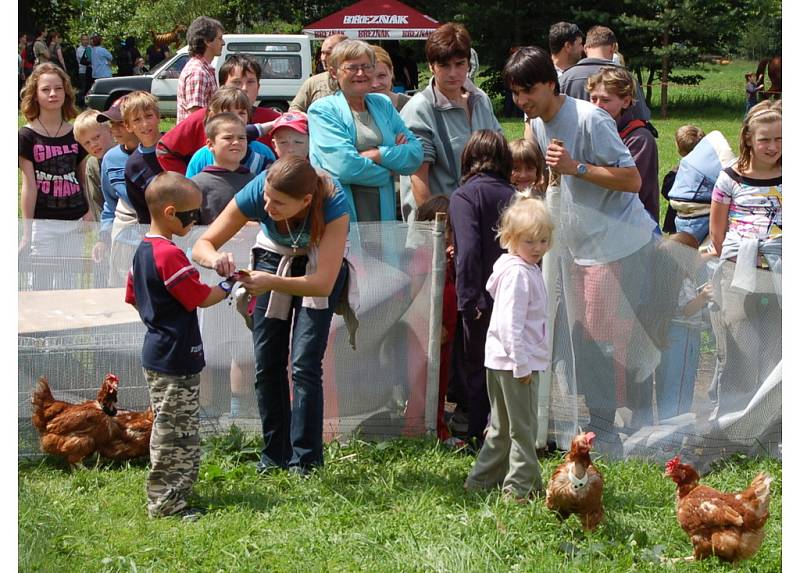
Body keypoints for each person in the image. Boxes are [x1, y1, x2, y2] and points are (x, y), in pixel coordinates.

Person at [504, 46, 659, 454]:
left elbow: (631, 181)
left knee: (602, 334)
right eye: (516, 93)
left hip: (619, 244)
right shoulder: (536, 122)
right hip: (577, 246)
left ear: (551, 84)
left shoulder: (592, 118)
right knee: (578, 331)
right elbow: (556, 181)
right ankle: (601, 419)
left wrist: (578, 168)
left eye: (528, 91)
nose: (522, 101)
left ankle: (615, 424)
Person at [191, 156, 353, 475]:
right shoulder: (261, 189)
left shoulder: (334, 201)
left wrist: (271, 283)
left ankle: (305, 461)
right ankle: (274, 455)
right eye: (266, 197)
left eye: (278, 203)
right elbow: (203, 244)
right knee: (267, 363)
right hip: (270, 258)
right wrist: (215, 260)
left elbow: (322, 285)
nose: (267, 207)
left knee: (305, 364)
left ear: (306, 201)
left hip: (316, 269)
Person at [125, 171, 232, 520]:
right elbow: (201, 298)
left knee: (176, 426)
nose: (196, 220)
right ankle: (165, 503)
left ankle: (176, 494)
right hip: (174, 355)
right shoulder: (169, 254)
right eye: (192, 214)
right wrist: (233, 285)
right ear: (170, 213)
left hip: (158, 348)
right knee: (174, 434)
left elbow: (132, 296)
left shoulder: (143, 250)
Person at [464, 194, 552, 502]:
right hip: (516, 363)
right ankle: (519, 489)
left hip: (500, 360)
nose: (538, 248)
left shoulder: (519, 267)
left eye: (543, 240)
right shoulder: (518, 273)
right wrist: (522, 363)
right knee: (523, 429)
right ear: (511, 238)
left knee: (502, 428)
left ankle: (481, 480)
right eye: (530, 242)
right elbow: (509, 324)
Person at [707, 99, 781, 420]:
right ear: (749, 138)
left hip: (781, 277)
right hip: (739, 277)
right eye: (765, 139)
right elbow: (717, 232)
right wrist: (739, 262)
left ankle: (773, 417)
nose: (773, 146)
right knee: (738, 346)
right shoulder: (730, 179)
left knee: (778, 344)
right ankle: (733, 415)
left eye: (780, 139)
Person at [449, 130, 517, 447]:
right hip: (517, 295)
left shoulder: (465, 196)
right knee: (512, 369)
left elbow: (468, 250)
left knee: (478, 369)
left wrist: (469, 298)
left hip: (481, 299)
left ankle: (480, 436)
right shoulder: (516, 195)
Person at [308, 40, 423, 223]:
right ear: (333, 72)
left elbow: (415, 155)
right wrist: (391, 171)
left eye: (366, 67)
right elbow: (344, 167)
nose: (361, 73)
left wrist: (379, 154)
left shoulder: (382, 104)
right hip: (341, 216)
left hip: (383, 215)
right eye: (352, 68)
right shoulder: (322, 110)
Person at [400, 23, 502, 221]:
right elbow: (418, 180)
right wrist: (441, 230)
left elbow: (500, 152)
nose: (453, 73)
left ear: (468, 64)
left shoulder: (480, 99)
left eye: (459, 64)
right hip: (437, 224)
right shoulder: (419, 109)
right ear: (431, 66)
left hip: (479, 217)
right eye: (444, 65)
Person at [157, 56, 281, 174]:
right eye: (236, 82)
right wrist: (187, 185)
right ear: (222, 87)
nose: (244, 88)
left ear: (258, 87)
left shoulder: (273, 120)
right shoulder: (202, 118)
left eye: (250, 82)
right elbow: (164, 149)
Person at [18, 63, 90, 263]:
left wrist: (89, 210)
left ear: (66, 92)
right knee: (41, 286)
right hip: (43, 223)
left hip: (75, 220)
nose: (53, 94)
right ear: (35, 94)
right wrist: (26, 232)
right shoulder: (26, 135)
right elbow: (29, 186)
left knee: (69, 283)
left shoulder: (76, 132)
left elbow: (83, 179)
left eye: (58, 88)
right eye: (45, 89)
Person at [587, 66, 660, 225]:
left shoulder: (639, 139)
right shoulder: (590, 130)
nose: (597, 106)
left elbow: (631, 189)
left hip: (634, 225)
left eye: (605, 100)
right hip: (597, 222)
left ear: (625, 101)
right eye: (593, 99)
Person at [654, 232, 712, 420]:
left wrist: (712, 253)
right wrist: (703, 297)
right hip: (684, 335)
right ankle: (676, 424)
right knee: (680, 382)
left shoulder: (669, 278)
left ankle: (667, 421)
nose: (698, 258)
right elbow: (687, 310)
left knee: (669, 380)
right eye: (695, 254)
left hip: (672, 334)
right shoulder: (684, 281)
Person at [558, 25, 651, 124]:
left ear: (585, 48)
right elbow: (641, 119)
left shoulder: (564, 79)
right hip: (617, 138)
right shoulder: (626, 79)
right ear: (613, 48)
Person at [94, 97, 142, 286]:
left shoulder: (162, 153)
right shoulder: (110, 159)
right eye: (112, 124)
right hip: (124, 239)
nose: (114, 130)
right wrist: (103, 238)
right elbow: (109, 203)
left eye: (120, 124)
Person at [184, 90, 276, 178]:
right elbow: (190, 189)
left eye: (241, 113)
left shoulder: (263, 152)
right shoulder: (202, 156)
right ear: (212, 116)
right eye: (228, 113)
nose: (236, 118)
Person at [123, 91, 164, 223]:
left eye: (148, 116)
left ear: (158, 117)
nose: (145, 124)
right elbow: (142, 211)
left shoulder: (177, 146)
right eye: (137, 120)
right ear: (128, 126)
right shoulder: (132, 166)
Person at [177, 16, 225, 123]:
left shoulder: (204, 69)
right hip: (196, 139)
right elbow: (196, 118)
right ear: (207, 41)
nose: (223, 43)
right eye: (220, 38)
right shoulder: (198, 72)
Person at [660, 125, 705, 234]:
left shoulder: (677, 175)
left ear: (679, 149)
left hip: (677, 222)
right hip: (702, 224)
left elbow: (666, 191)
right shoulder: (709, 174)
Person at [73, 109, 115, 221]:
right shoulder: (93, 165)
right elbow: (97, 204)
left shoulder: (126, 154)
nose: (93, 145)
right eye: (87, 143)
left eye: (96, 137)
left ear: (111, 131)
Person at [289, 34, 347, 113]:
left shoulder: (361, 81)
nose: (323, 58)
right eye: (322, 53)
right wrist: (314, 119)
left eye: (329, 53)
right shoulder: (313, 83)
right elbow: (294, 111)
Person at [370, 45, 412, 112]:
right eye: (368, 78)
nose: (375, 84)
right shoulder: (351, 111)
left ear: (391, 72)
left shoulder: (412, 105)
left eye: (381, 76)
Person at [76, 34, 93, 103]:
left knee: (89, 88)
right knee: (84, 87)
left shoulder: (90, 48)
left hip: (90, 71)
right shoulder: (79, 49)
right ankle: (79, 102)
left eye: (87, 39)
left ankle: (87, 102)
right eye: (84, 39)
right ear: (81, 40)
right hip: (83, 71)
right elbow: (87, 60)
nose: (85, 41)